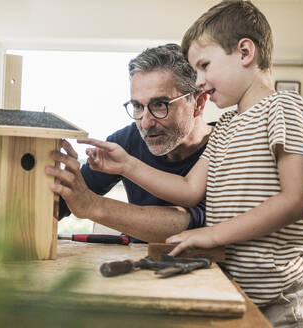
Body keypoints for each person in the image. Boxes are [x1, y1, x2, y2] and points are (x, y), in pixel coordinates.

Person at [80, 1, 303, 326]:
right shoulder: (226, 127)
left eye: (205, 66)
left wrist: (213, 233)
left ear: (245, 52)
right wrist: (126, 166)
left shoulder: (283, 108)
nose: (201, 81)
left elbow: (298, 200)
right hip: (234, 287)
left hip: (283, 298)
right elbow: (188, 189)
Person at [45, 44, 213, 243]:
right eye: (137, 106)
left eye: (160, 105)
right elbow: (62, 203)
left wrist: (93, 205)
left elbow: (195, 224)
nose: (145, 122)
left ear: (199, 103)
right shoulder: (124, 142)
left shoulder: (228, 144)